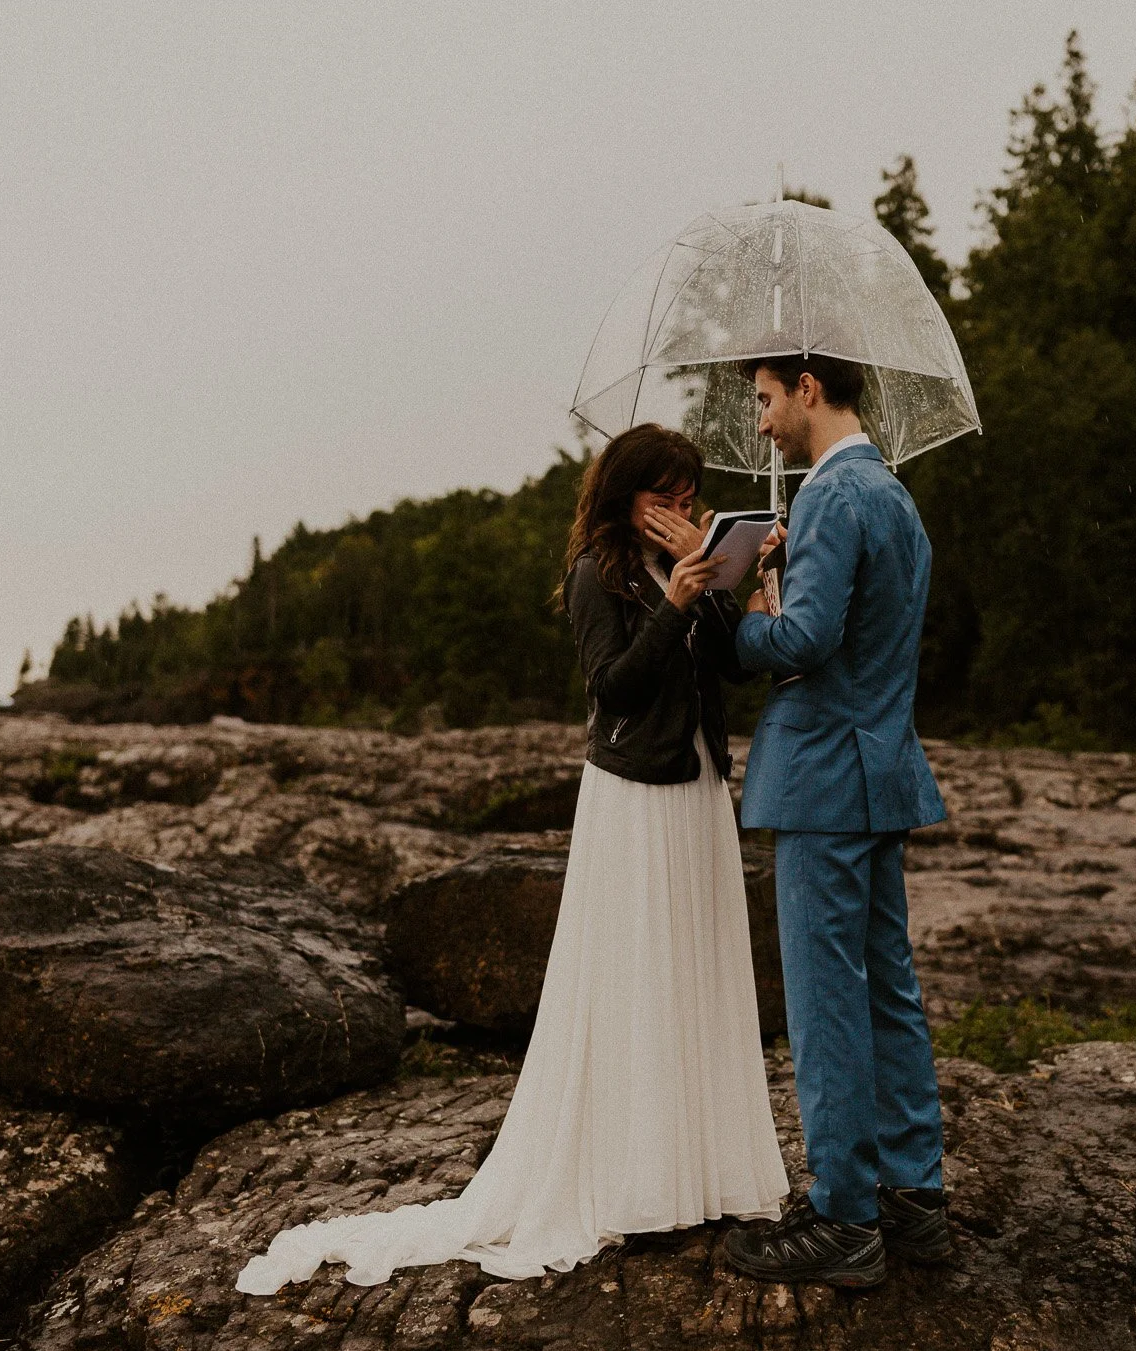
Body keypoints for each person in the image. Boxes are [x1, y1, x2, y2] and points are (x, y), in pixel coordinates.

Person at [236, 423, 788, 1293]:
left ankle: (704, 1169)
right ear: (623, 494)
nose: (678, 508)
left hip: (697, 786)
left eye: (687, 494)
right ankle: (638, 1181)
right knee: (635, 976)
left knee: (696, 972)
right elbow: (613, 687)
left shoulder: (687, 561)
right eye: (662, 494)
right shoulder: (595, 574)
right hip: (634, 798)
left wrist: (746, 581)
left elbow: (729, 670)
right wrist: (678, 600)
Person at [721, 353, 952, 1289]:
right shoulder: (894, 496)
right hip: (880, 769)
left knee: (824, 1003)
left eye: (769, 400)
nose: (765, 422)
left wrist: (736, 615)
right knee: (886, 990)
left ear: (810, 388)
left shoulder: (828, 496)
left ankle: (846, 1218)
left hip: (821, 779)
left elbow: (808, 640)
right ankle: (915, 1200)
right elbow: (858, 637)